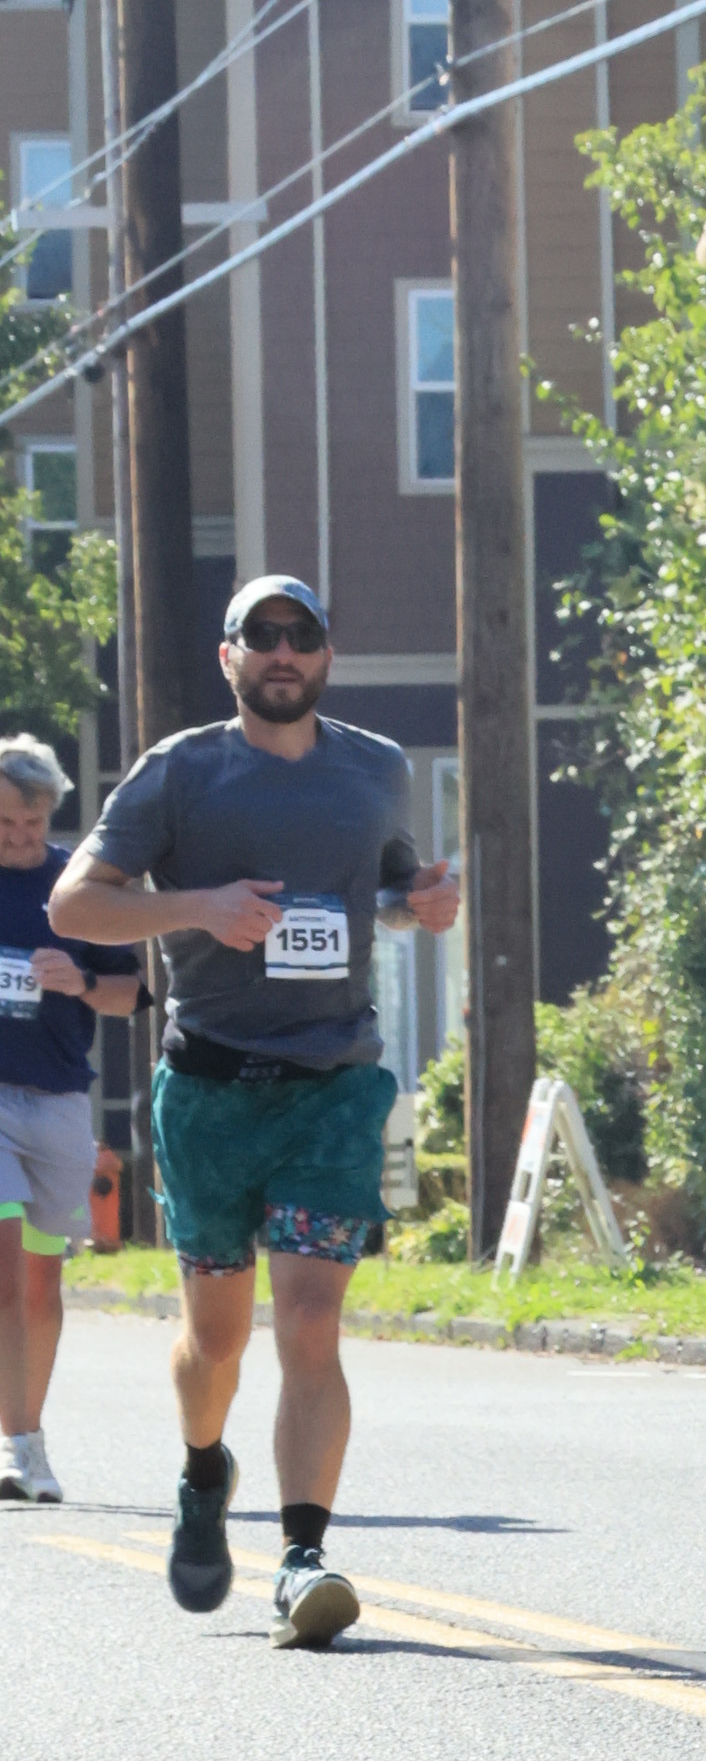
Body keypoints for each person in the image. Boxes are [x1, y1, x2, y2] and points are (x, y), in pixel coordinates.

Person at [51, 577, 459, 1645]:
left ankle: (302, 1558)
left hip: (334, 1082)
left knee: (311, 1323)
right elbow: (75, 902)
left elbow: (386, 888)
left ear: (326, 655)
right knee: (217, 1340)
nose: (284, 652)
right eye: (262, 635)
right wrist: (201, 907)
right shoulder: (180, 771)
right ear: (227, 655)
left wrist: (422, 902)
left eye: (302, 635)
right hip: (210, 1089)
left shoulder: (376, 767)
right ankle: (203, 1472)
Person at [0, 733, 141, 1503]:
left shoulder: (75, 890)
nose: (19, 838)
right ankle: (16, 1446)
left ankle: (30, 1436)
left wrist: (79, 981)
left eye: (32, 823)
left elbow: (131, 996)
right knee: (5, 1270)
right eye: (4, 824)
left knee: (41, 1285)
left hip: (57, 1105)